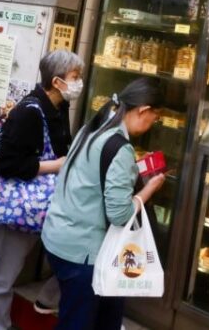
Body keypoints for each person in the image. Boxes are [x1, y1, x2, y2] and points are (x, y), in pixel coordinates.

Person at [41, 78, 167, 330]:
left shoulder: (92, 128)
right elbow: (120, 215)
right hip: (84, 254)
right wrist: (149, 190)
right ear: (143, 110)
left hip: (57, 237)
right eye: (155, 118)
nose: (152, 125)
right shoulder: (121, 148)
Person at [0, 50, 83, 329]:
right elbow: (6, 163)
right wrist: (55, 166)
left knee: (74, 258)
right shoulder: (29, 112)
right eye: (75, 77)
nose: (79, 83)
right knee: (1, 276)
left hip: (49, 202)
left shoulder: (59, 107)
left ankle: (48, 298)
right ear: (56, 81)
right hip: (23, 206)